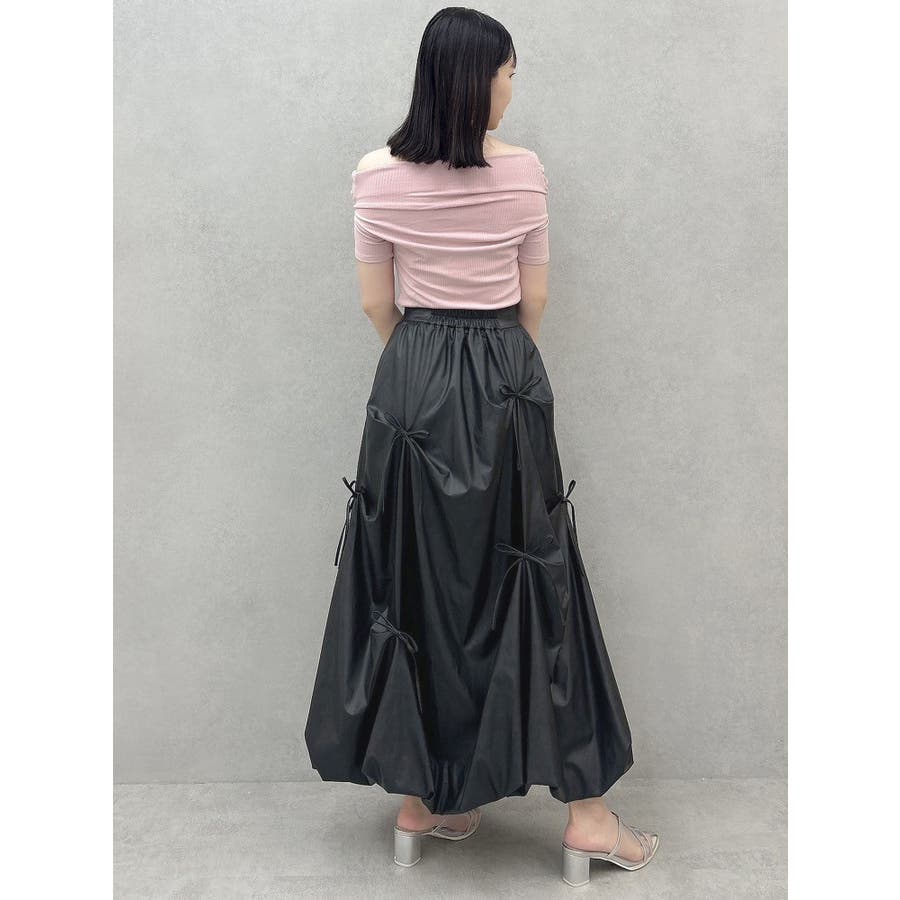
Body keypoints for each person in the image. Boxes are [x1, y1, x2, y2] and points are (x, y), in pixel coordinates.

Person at [304, 7, 659, 885]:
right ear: (475, 80)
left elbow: (375, 304)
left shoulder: (374, 176)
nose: (512, 87)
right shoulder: (525, 174)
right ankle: (587, 817)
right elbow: (533, 302)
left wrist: (426, 370)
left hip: (412, 378)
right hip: (505, 376)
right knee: (533, 578)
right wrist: (494, 373)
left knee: (413, 579)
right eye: (507, 73)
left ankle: (425, 801)